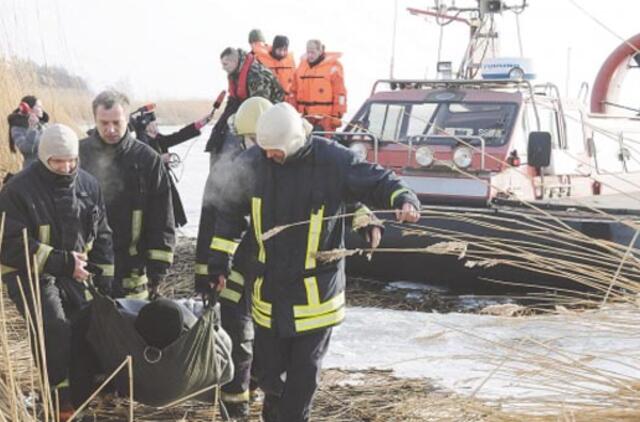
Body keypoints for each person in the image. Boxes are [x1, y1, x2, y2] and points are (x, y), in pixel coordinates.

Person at [205, 103, 420, 422]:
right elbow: (229, 214)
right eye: (264, 150)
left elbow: (376, 180)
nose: (268, 156)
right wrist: (218, 263)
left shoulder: (333, 160)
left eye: (275, 151)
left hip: (315, 300)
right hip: (269, 296)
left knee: (300, 386)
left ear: (293, 141)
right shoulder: (256, 160)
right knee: (270, 378)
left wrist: (403, 198)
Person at [0, 124, 113, 421]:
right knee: (55, 327)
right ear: (43, 158)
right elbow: (10, 245)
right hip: (28, 273)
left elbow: (102, 234)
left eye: (71, 160)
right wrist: (63, 263)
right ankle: (59, 403)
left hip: (74, 271)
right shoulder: (18, 191)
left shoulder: (89, 186)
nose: (66, 167)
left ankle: (82, 394)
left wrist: (105, 277)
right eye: (57, 161)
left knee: (87, 325)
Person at [79, 90, 175, 300]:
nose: (110, 129)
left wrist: (158, 268)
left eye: (117, 122)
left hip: (133, 267)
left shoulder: (147, 159)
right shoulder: (78, 156)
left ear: (128, 120)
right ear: (94, 119)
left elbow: (162, 215)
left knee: (133, 328)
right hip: (87, 266)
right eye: (103, 123)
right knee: (91, 329)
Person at [130, 106, 213, 227]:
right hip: (150, 186)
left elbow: (179, 136)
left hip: (164, 180)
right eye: (153, 124)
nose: (156, 126)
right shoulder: (140, 143)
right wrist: (160, 158)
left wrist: (201, 123)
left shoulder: (159, 139)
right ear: (146, 126)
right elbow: (141, 162)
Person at [204, 47, 285, 153]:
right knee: (221, 130)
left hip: (270, 109)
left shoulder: (255, 75)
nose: (223, 68)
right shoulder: (235, 74)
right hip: (250, 106)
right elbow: (233, 101)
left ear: (234, 62)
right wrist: (220, 126)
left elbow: (260, 106)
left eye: (225, 64)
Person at [289, 39, 347, 132]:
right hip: (304, 117)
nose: (310, 55)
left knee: (323, 144)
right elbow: (293, 92)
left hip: (325, 119)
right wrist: (291, 110)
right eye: (308, 52)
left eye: (313, 52)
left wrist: (337, 115)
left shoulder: (333, 68)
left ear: (320, 51)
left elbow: (340, 94)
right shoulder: (301, 67)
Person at [7, 95, 49, 167]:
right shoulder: (17, 128)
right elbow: (27, 148)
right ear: (28, 109)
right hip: (32, 169)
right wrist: (32, 128)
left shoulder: (43, 124)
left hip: (48, 166)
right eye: (39, 107)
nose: (42, 109)